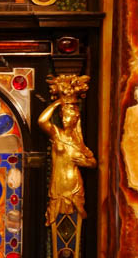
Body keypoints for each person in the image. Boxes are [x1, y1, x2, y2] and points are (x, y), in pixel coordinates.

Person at [38, 81, 96, 224]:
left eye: (68, 115)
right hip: (58, 184)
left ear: (75, 118)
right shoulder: (57, 134)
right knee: (55, 219)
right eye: (62, 115)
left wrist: (86, 163)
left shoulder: (78, 142)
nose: (64, 118)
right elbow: (41, 121)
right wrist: (58, 103)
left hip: (75, 185)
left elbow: (93, 162)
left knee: (76, 220)